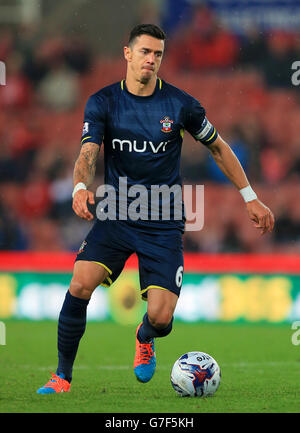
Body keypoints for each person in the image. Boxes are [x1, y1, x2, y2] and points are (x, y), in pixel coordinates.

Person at [37, 24, 274, 393]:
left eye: (158, 54)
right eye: (145, 51)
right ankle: (62, 377)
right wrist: (80, 187)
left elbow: (218, 147)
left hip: (163, 221)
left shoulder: (181, 105)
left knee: (162, 318)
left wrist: (249, 196)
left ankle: (145, 337)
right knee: (81, 282)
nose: (151, 59)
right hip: (116, 212)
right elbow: (87, 152)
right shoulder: (103, 101)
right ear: (127, 54)